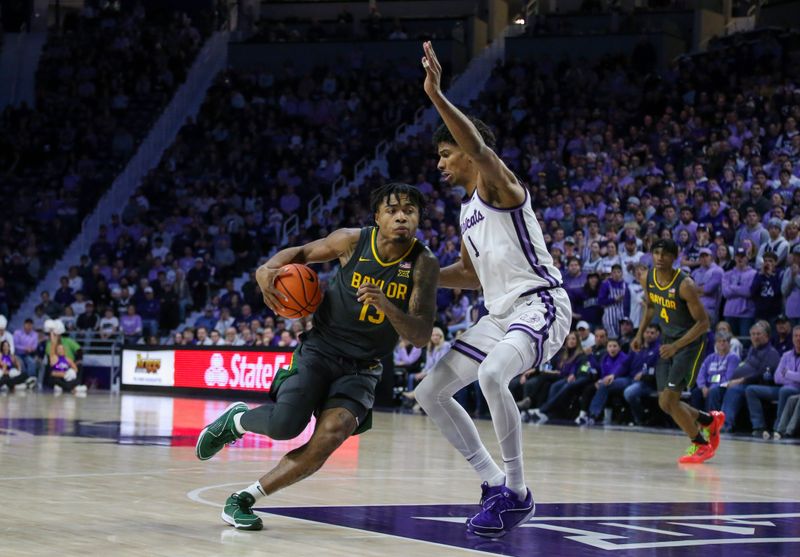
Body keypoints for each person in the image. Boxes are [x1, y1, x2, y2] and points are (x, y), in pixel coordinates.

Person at [194, 183, 438, 531]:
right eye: (392, 209)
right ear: (377, 217)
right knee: (283, 426)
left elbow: (420, 334)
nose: (401, 216)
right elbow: (303, 253)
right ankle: (235, 422)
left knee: (328, 438)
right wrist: (267, 268)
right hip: (321, 349)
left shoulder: (423, 264)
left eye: (410, 211)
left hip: (363, 369)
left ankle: (244, 498)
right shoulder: (351, 242)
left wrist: (385, 304)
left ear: (418, 218)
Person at [414, 42, 571, 538]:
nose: (440, 163)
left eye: (445, 152)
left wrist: (437, 95)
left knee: (492, 375)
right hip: (500, 314)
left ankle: (517, 494)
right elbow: (469, 274)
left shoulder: (499, 185)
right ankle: (491, 480)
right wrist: (416, 274)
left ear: (468, 150)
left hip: (541, 302)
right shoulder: (467, 212)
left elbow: (480, 149)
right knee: (429, 391)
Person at [632, 239, 724, 464]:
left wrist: (676, 346)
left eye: (665, 254)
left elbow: (704, 323)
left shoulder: (685, 285)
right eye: (656, 253)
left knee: (671, 399)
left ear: (675, 257)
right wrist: (639, 333)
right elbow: (651, 306)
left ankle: (701, 444)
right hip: (667, 341)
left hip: (690, 344)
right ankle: (708, 421)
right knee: (665, 403)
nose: (660, 257)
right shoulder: (648, 278)